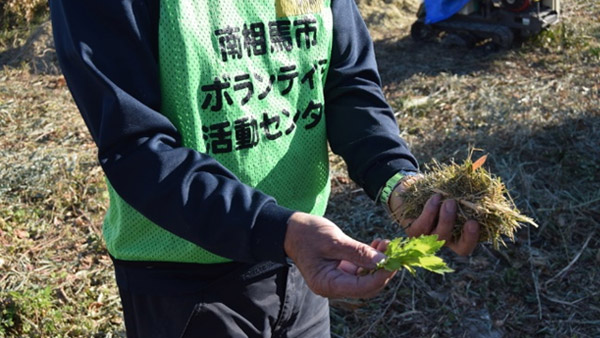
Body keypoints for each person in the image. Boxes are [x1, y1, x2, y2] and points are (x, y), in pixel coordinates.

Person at [50, 0, 480, 336]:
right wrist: (278, 230)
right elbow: (137, 144)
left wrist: (397, 181)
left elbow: (346, 81)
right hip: (184, 280)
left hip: (301, 259)